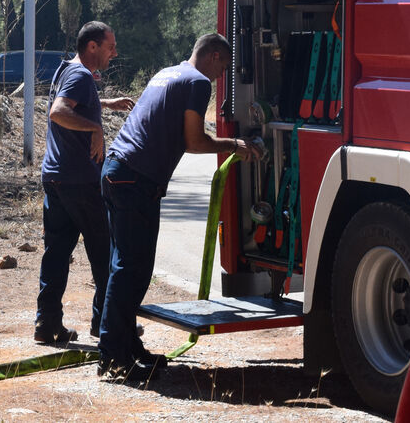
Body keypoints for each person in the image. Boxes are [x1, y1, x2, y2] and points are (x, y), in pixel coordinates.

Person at [97, 33, 262, 381]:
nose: (220, 78)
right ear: (214, 56)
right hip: (133, 179)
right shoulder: (198, 82)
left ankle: (127, 348)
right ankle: (112, 356)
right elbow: (194, 140)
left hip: (118, 171)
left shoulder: (166, 72)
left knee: (128, 267)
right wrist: (236, 145)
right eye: (223, 69)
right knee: (130, 269)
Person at [35, 21, 134, 345]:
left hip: (56, 179)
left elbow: (72, 102)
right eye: (110, 47)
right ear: (92, 46)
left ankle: (47, 325)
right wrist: (96, 129)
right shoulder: (80, 75)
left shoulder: (68, 70)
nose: (114, 53)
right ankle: (106, 326)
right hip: (79, 181)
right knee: (106, 254)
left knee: (57, 254)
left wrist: (106, 104)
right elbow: (59, 111)